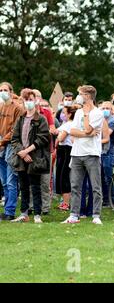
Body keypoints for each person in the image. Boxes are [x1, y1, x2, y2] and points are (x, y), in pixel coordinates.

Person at [62, 85, 105, 225]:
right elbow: (73, 131)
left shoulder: (98, 113)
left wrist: (87, 121)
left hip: (92, 154)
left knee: (95, 186)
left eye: (80, 94)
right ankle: (74, 215)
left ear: (87, 96)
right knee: (75, 185)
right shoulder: (78, 112)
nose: (78, 96)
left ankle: (96, 215)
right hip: (76, 153)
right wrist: (87, 134)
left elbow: (88, 128)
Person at [10, 89, 50, 223]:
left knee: (35, 186)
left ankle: (37, 214)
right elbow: (14, 138)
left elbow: (43, 138)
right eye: (26, 100)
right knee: (23, 186)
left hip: (35, 157)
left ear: (36, 101)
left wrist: (27, 151)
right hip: (22, 158)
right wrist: (22, 152)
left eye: (31, 100)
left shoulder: (41, 119)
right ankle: (24, 213)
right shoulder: (20, 119)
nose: (29, 102)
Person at [0, 82, 23, 221]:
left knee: (10, 180)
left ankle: (10, 211)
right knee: (3, 181)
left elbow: (15, 130)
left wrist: (2, 142)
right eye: (0, 90)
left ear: (11, 92)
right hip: (1, 145)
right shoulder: (1, 106)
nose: (2, 92)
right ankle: (6, 210)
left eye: (5, 90)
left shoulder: (17, 108)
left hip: (11, 146)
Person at [31, 89, 57, 215]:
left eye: (36, 97)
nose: (34, 99)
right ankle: (31, 206)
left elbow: (52, 129)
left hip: (45, 150)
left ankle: (45, 207)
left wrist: (41, 132)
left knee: (45, 181)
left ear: (40, 99)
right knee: (32, 181)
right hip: (30, 151)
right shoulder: (26, 113)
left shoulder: (46, 112)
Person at [55, 106, 78, 211]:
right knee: (61, 175)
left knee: (64, 176)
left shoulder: (69, 124)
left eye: (64, 112)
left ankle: (66, 203)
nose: (62, 114)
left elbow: (60, 138)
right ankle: (64, 202)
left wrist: (58, 134)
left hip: (66, 151)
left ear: (69, 114)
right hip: (62, 151)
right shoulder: (66, 124)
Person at [100, 101, 114, 207]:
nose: (105, 110)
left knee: (108, 177)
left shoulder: (112, 122)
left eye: (107, 108)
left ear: (111, 110)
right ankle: (105, 199)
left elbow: (107, 134)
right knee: (102, 177)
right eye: (103, 108)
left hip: (109, 153)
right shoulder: (102, 120)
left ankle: (112, 199)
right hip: (101, 152)